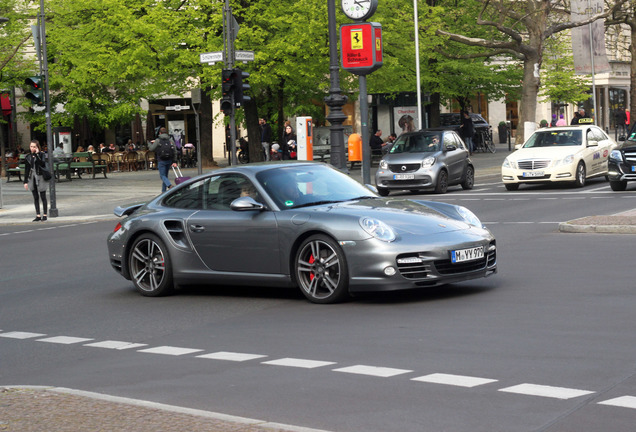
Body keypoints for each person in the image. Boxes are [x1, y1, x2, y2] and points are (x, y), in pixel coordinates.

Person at [23, 139, 50, 222]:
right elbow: (27, 169)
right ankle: (38, 215)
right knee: (35, 197)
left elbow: (42, 163)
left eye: (34, 147)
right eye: (31, 146)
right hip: (32, 177)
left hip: (40, 177)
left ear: (37, 147)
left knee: (43, 196)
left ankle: (45, 214)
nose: (32, 148)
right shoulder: (28, 156)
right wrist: (25, 181)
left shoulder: (42, 154)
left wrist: (37, 154)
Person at [149, 127, 178, 192]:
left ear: (160, 133)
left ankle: (170, 186)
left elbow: (151, 149)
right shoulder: (170, 140)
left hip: (161, 160)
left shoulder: (158, 140)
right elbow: (175, 151)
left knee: (162, 176)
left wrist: (150, 143)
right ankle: (163, 192)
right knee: (165, 176)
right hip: (169, 160)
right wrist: (174, 161)